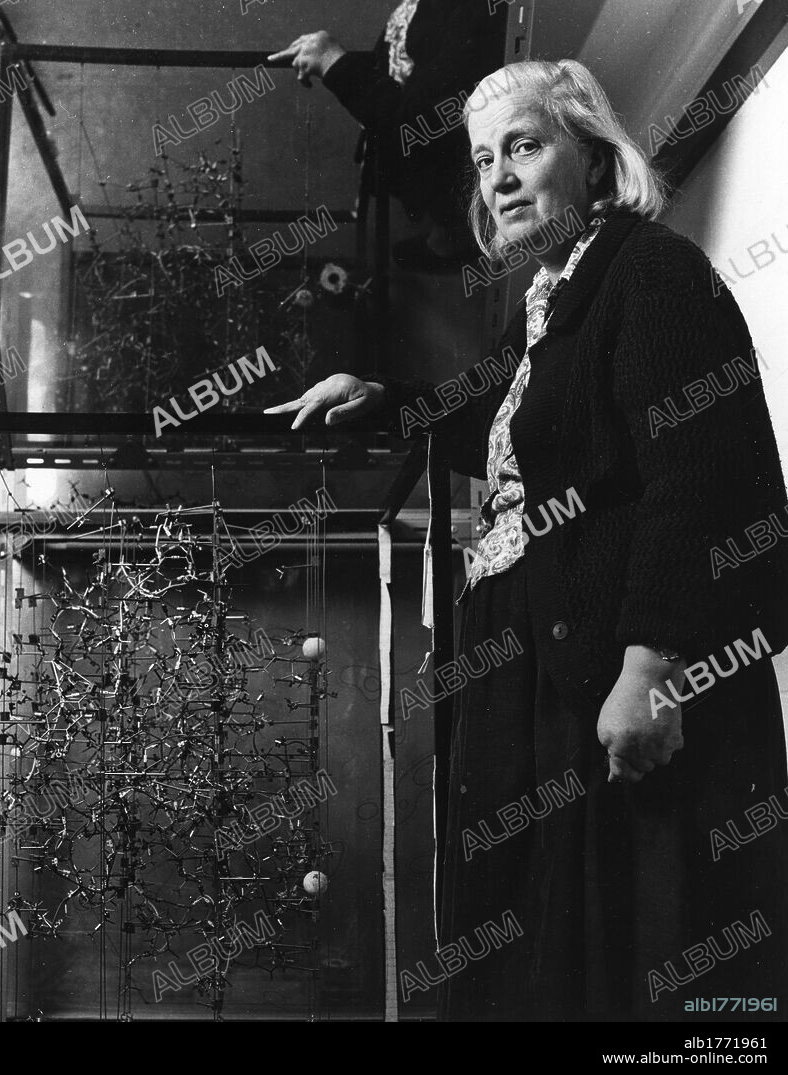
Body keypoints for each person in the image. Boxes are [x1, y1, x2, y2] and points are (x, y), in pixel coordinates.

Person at [266, 59, 788, 1020]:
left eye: (524, 146)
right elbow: (517, 430)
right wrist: (382, 397)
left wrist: (652, 668)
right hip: (534, 684)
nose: (497, 177)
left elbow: (702, 482)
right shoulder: (549, 304)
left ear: (593, 161)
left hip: (605, 684)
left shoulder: (653, 272)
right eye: (481, 161)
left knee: (625, 965)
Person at [268, 1, 508, 271]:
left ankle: (455, 234)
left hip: (465, 223)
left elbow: (421, 124)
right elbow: (397, 74)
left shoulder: (476, 10)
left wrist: (333, 63)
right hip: (433, 213)